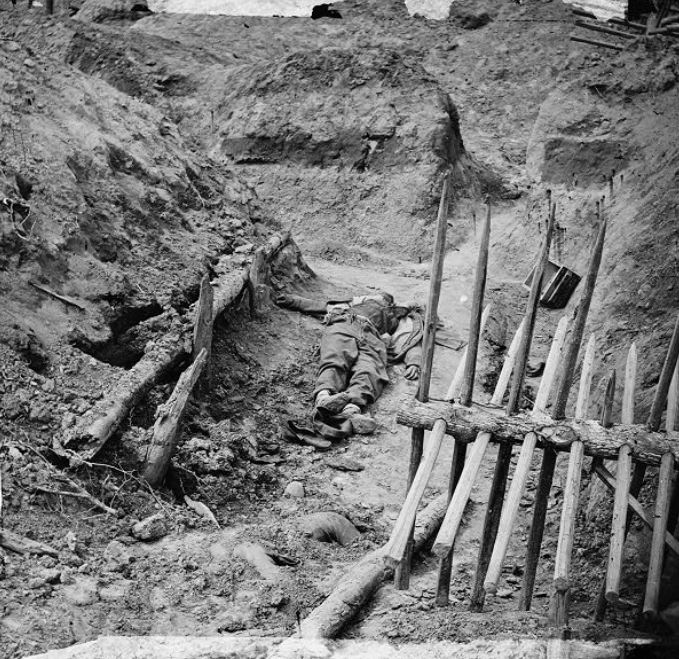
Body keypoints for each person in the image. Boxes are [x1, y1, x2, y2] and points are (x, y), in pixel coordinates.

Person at [275, 290, 424, 439]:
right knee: (335, 358)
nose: (384, 300)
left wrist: (414, 362)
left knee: (370, 369)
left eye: (387, 299)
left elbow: (408, 341)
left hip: (372, 337)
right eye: (383, 297)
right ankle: (324, 397)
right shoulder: (357, 303)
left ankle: (352, 409)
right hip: (345, 323)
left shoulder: (401, 319)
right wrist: (291, 299)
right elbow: (321, 306)